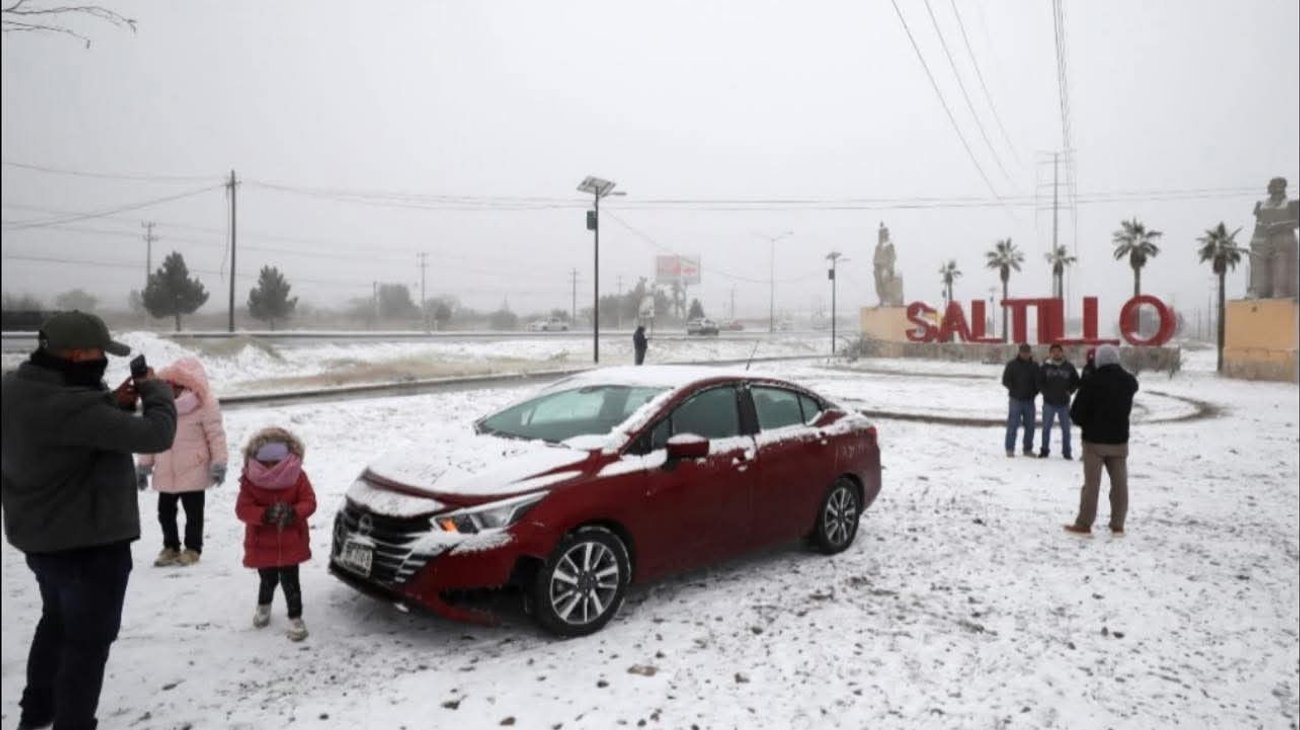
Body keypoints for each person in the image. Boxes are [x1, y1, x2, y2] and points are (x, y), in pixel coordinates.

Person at [0, 310, 177, 730]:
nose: (104, 360)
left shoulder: (14, 388)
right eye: (100, 353)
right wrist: (156, 392)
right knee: (87, 644)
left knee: (56, 622)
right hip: (88, 545)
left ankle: (36, 713)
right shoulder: (72, 407)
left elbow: (69, 431)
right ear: (77, 354)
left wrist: (109, 406)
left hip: (40, 537)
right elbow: (157, 434)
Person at [137, 357, 229, 567]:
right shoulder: (159, 405)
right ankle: (170, 546)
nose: (171, 388)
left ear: (189, 385)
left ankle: (193, 548)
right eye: (167, 383)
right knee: (165, 513)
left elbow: (216, 436)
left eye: (176, 384)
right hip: (165, 469)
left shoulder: (205, 404)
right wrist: (144, 465)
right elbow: (151, 436)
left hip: (193, 468)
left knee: (193, 513)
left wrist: (219, 463)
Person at [235, 427, 317, 642]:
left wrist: (294, 512)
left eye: (276, 462)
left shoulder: (298, 477)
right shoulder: (251, 480)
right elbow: (243, 509)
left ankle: (295, 617)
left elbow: (309, 502)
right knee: (267, 579)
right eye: (266, 462)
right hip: (262, 543)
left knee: (291, 582)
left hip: (291, 542)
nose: (271, 467)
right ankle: (264, 605)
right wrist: (264, 514)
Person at [1064, 344, 1139, 536]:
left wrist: (1087, 423)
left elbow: (1076, 413)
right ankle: (1118, 524)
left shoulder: (1091, 382)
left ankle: (1084, 523)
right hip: (1119, 440)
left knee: (1092, 485)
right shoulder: (1128, 383)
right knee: (1120, 484)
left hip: (1094, 441)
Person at [1037, 344, 1081, 459]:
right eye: (1054, 352)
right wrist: (1045, 392)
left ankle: (1067, 452)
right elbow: (1039, 382)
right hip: (1049, 403)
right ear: (1050, 354)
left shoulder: (1069, 367)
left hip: (1064, 403)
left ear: (1062, 352)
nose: (1056, 354)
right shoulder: (1045, 367)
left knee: (1066, 430)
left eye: (1058, 351)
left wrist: (1070, 391)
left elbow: (1076, 382)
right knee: (1046, 429)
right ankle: (1044, 450)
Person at [1001, 343, 1039, 457]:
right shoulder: (1012, 365)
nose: (1025, 354)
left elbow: (1039, 382)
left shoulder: (1035, 366)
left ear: (1030, 353)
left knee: (1030, 426)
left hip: (1029, 401)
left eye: (1027, 352)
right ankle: (1009, 448)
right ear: (1019, 352)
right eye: (1023, 352)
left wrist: (1034, 392)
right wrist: (1014, 389)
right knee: (1012, 425)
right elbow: (1005, 380)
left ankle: (1027, 449)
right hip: (1015, 400)